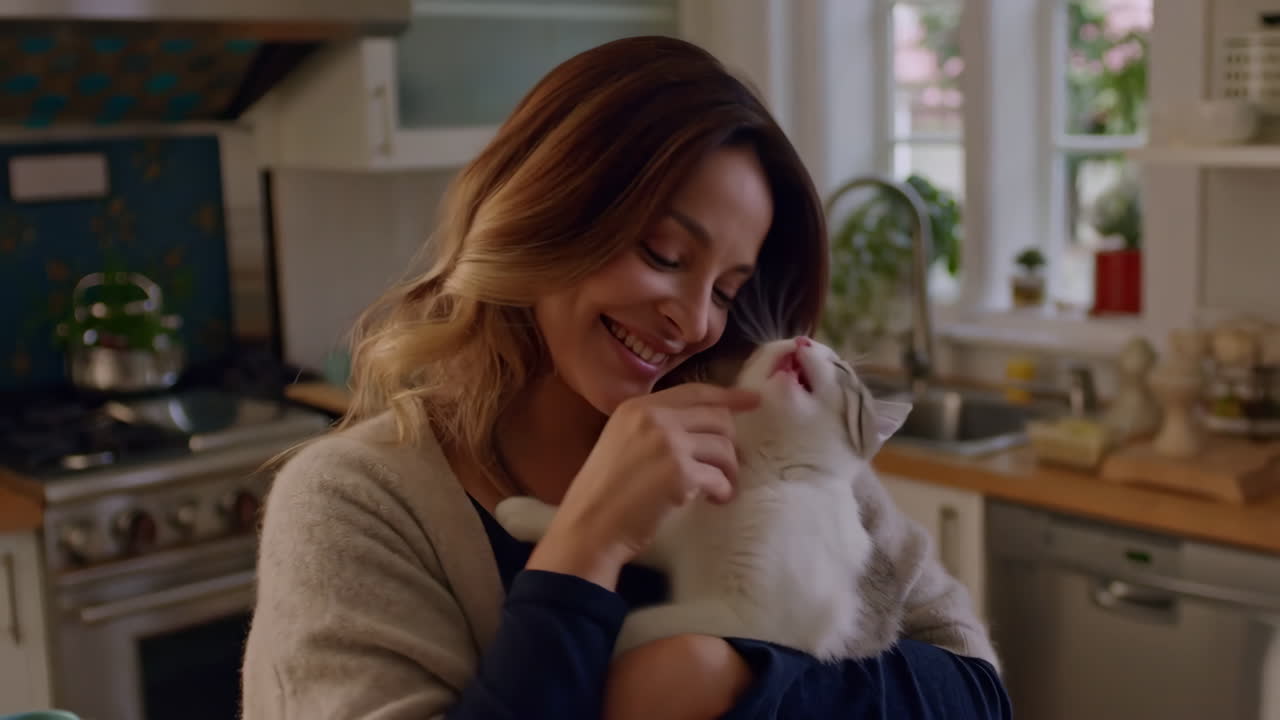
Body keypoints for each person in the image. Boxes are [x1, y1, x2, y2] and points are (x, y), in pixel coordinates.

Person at [241, 35, 1010, 720]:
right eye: (664, 255)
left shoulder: (780, 445)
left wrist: (729, 680)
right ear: (549, 213)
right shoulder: (353, 504)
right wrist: (587, 543)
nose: (695, 321)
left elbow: (974, 691)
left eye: (728, 290)